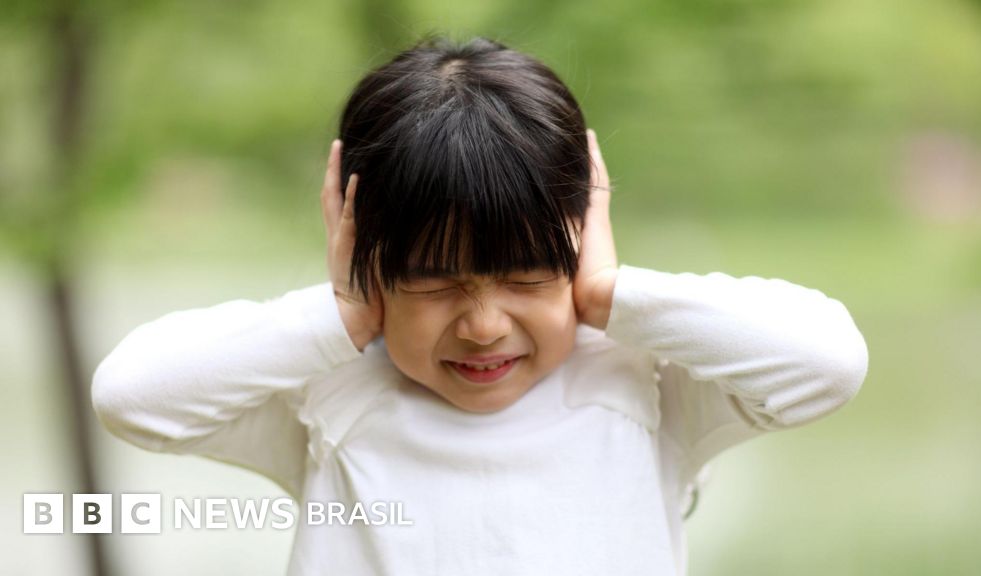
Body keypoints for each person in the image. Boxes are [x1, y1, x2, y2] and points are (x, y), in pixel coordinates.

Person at [91, 35, 869, 575]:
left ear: (582, 230)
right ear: (367, 258)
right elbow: (134, 397)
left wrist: (607, 292)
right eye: (433, 282)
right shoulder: (332, 390)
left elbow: (827, 363)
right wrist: (340, 317)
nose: (484, 323)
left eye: (528, 274)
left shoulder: (648, 387)